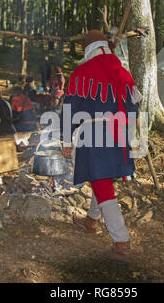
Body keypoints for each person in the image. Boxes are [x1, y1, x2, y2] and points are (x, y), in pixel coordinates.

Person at [61, 30, 142, 264]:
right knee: (103, 178)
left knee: (102, 182)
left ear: (88, 49)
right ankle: (91, 220)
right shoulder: (124, 73)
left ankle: (121, 243)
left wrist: (67, 139)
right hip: (118, 132)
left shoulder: (82, 72)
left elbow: (69, 108)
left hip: (93, 133)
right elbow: (134, 110)